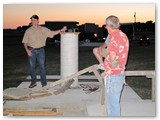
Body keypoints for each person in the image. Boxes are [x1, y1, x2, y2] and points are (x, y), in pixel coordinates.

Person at [22, 14, 67, 88]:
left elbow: (52, 33)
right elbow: (25, 42)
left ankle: (44, 84)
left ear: (38, 20)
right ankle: (33, 82)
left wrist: (61, 30)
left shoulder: (43, 29)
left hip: (41, 51)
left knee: (42, 67)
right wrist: (27, 50)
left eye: (34, 20)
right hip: (31, 50)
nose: (32, 21)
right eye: (32, 20)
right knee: (32, 67)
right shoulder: (28, 31)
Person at [103, 15, 129, 116]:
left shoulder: (113, 37)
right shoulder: (123, 35)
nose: (106, 27)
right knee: (115, 102)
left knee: (111, 103)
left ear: (109, 25)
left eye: (106, 25)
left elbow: (113, 53)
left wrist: (112, 64)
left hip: (113, 75)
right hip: (120, 73)